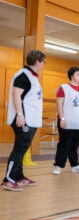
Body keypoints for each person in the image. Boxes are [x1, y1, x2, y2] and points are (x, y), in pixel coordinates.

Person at [1, 50, 46, 191]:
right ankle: (8, 179)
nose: (44, 65)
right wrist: (20, 115)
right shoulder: (23, 75)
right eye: (43, 62)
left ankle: (18, 177)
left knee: (23, 148)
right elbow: (16, 95)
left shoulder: (32, 77)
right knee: (20, 148)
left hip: (31, 119)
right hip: (23, 119)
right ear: (38, 61)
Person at [53, 67, 79, 175]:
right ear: (71, 75)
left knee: (74, 146)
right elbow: (59, 104)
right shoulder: (64, 87)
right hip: (67, 121)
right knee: (64, 145)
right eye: (78, 74)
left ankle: (75, 166)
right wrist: (62, 118)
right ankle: (58, 166)